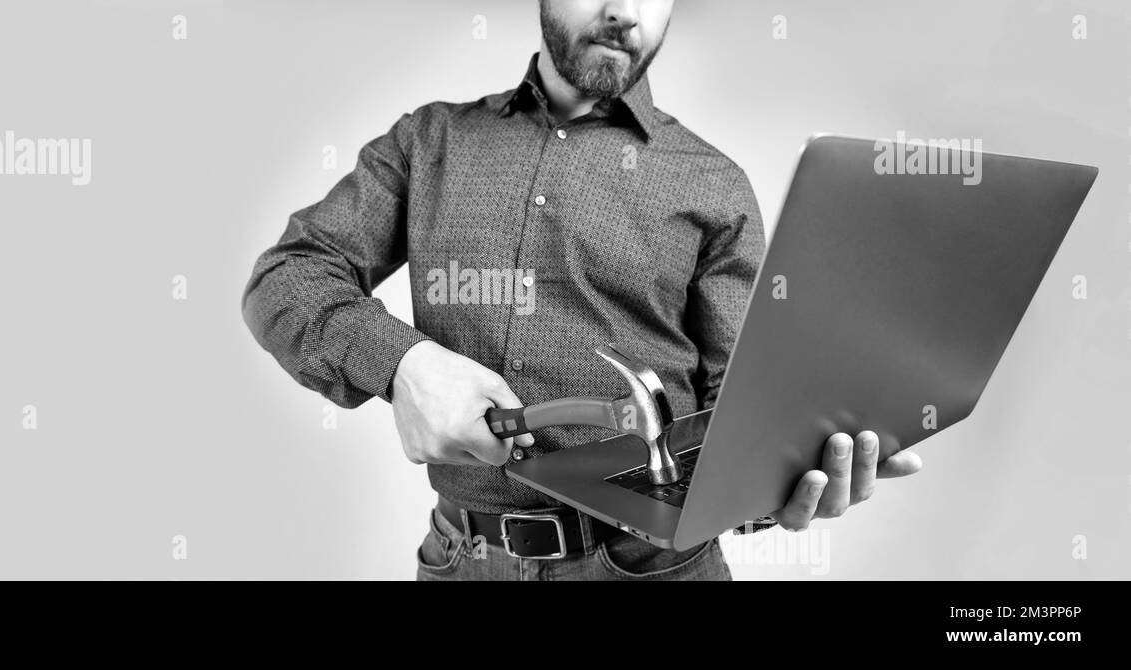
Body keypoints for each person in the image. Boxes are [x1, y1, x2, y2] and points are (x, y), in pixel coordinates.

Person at [241, 0, 922, 581]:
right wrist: (401, 364)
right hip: (463, 562)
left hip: (658, 566)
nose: (624, 10)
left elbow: (739, 417)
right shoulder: (427, 142)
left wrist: (774, 480)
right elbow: (288, 275)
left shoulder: (714, 184)